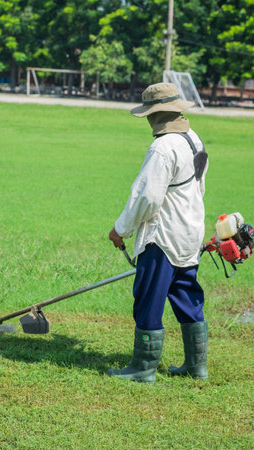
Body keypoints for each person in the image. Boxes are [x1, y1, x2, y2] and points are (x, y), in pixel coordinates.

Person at [107, 82, 208, 384]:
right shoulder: (194, 139)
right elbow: (198, 187)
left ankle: (143, 368)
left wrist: (120, 228)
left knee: (149, 297)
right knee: (187, 294)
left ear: (154, 115)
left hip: (163, 236)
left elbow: (147, 198)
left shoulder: (162, 148)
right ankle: (196, 366)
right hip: (190, 231)